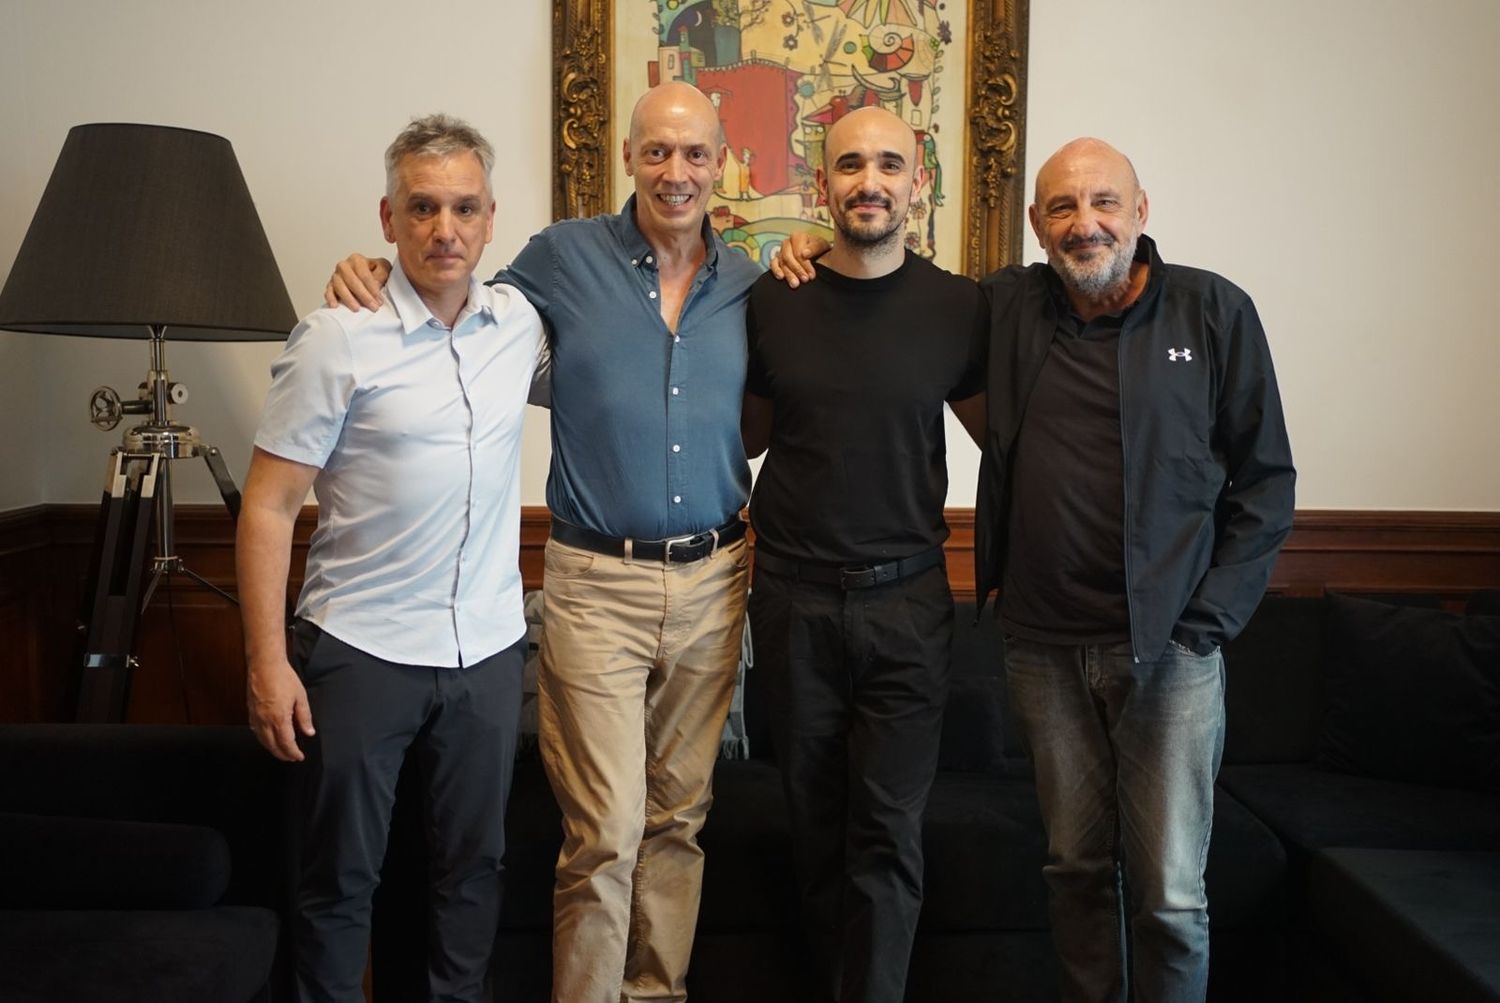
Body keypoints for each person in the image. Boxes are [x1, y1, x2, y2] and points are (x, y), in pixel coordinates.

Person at [324, 82, 761, 1003]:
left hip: (717, 579)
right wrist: (374, 265)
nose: (675, 172)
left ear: (721, 164)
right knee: (605, 827)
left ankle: (656, 991)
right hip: (596, 579)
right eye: (656, 152)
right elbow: (449, 300)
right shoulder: (562, 259)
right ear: (630, 159)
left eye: (694, 154)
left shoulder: (755, 284)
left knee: (679, 821)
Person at [977, 138, 1295, 1001]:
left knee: (1168, 896)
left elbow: (1266, 480)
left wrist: (1207, 623)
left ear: (1142, 210)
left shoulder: (1213, 311)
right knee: (1075, 869)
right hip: (1041, 650)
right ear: (1038, 227)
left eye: (1104, 202)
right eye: (1063, 209)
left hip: (1170, 656)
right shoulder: (1008, 307)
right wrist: (805, 248)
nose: (1086, 225)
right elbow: (895, 283)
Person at [238, 114, 544, 1002]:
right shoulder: (337, 335)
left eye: (463, 208)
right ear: (387, 218)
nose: (443, 229)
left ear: (492, 219)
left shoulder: (519, 324)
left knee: (470, 876)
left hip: (486, 652)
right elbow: (268, 506)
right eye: (422, 208)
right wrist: (266, 662)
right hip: (360, 651)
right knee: (340, 883)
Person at [742, 106, 986, 1003]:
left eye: (889, 163)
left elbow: (1014, 440)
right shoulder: (775, 297)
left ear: (918, 179)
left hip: (907, 604)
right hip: (793, 599)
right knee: (816, 830)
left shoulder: (961, 306)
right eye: (850, 165)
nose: (870, 181)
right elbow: (747, 437)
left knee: (886, 834)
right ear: (824, 184)